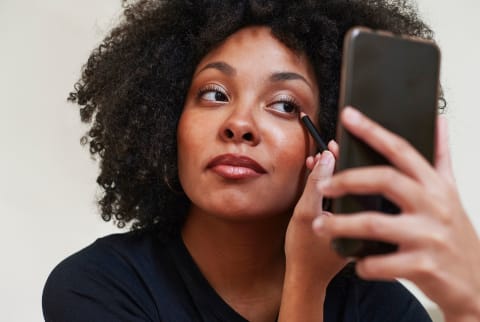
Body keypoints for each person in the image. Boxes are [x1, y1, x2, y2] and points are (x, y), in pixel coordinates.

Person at [42, 0, 480, 321]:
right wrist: (306, 286)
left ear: (329, 144)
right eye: (214, 94)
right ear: (166, 120)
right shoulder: (96, 287)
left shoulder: (384, 311)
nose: (240, 124)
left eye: (285, 105)